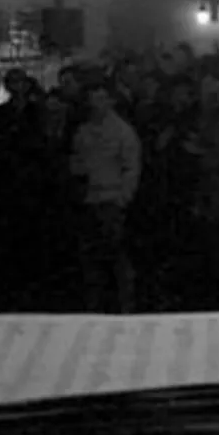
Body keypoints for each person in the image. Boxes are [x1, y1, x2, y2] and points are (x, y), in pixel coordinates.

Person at [69, 80, 142, 311]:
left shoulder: (123, 132)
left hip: (112, 202)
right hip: (89, 201)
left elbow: (132, 168)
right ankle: (95, 306)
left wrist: (123, 199)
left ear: (111, 100)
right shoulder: (83, 132)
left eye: (102, 98)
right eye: (93, 98)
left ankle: (125, 306)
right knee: (91, 262)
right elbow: (76, 162)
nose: (97, 104)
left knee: (118, 258)